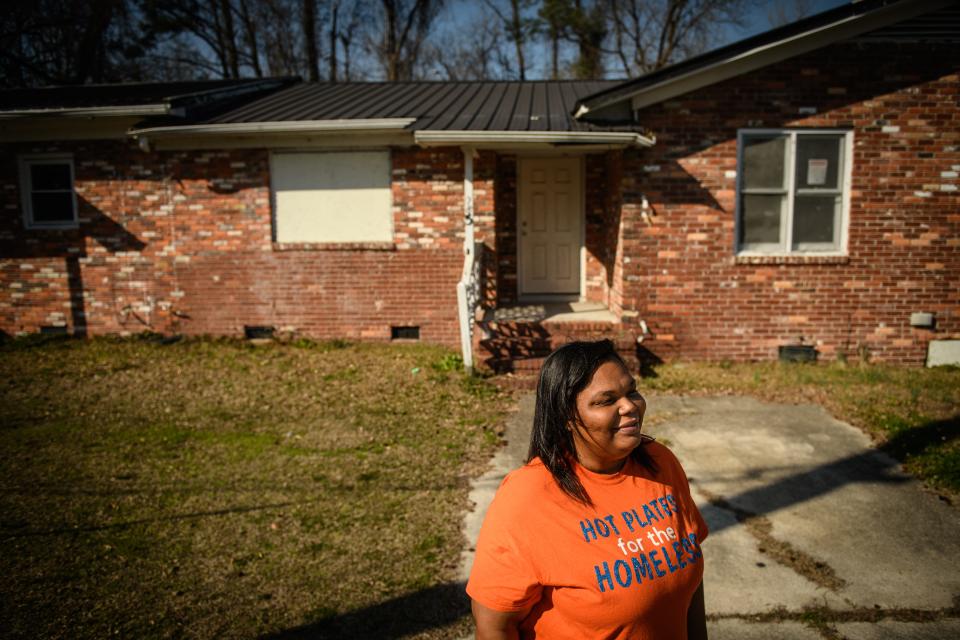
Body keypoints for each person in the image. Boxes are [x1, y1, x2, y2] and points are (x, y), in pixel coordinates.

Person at [467, 339, 708, 640]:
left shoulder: (661, 462)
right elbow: (494, 626)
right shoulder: (526, 498)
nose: (630, 406)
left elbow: (691, 576)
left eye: (631, 391)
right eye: (607, 401)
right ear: (567, 417)